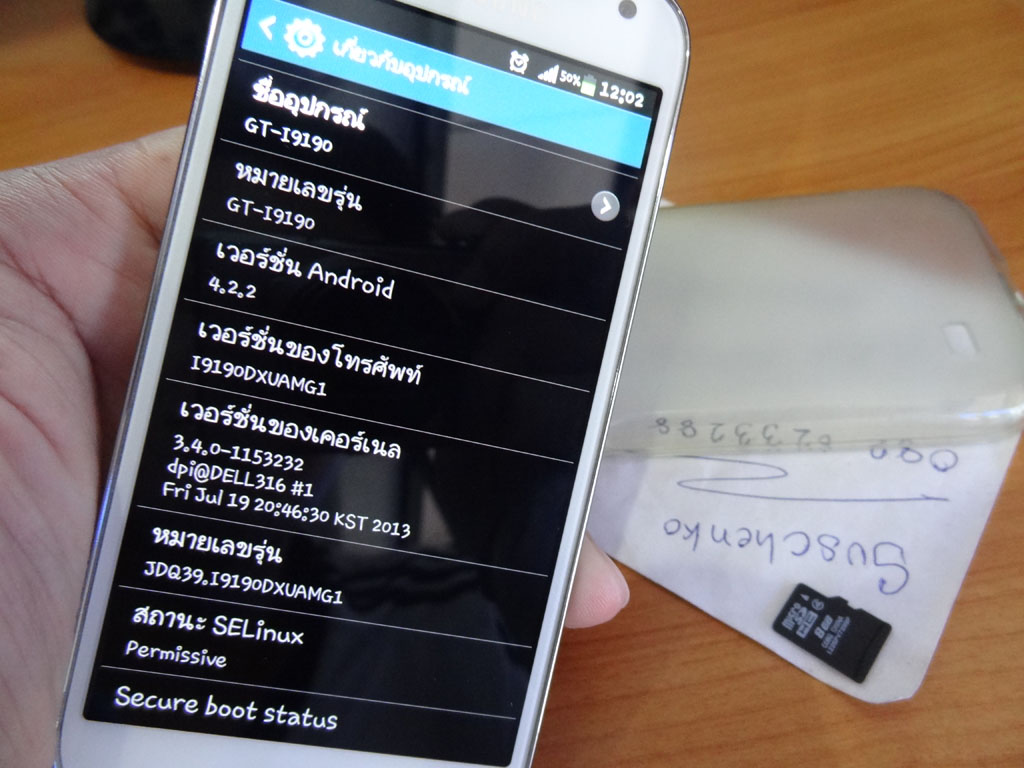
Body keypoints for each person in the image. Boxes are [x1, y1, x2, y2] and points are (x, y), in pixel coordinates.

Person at [0, 128, 631, 767]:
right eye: (302, 298)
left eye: (362, 304)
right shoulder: (97, 468)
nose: (328, 350)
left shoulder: (432, 618)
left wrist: (511, 506)